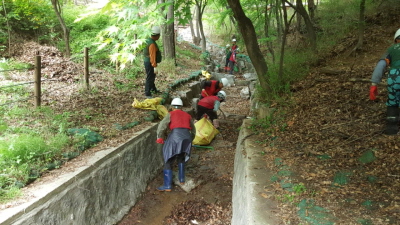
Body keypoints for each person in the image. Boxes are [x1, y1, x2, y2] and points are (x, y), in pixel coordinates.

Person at [156, 98, 196, 191]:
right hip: (186, 137)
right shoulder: (188, 115)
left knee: (168, 158)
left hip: (175, 136)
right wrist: (190, 140)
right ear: (181, 107)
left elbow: (162, 126)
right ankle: (182, 180)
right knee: (181, 156)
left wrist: (159, 137)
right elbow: (193, 131)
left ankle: (167, 186)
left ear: (172, 107)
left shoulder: (171, 114)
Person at [369, 28, 400, 135]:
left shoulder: (390, 50)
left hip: (394, 78)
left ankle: (392, 128)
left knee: (393, 101)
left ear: (396, 39)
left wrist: (374, 84)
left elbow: (380, 66)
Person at [144, 26, 162, 99]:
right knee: (150, 77)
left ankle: (153, 89)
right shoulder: (152, 44)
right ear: (156, 35)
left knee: (152, 76)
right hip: (150, 63)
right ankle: (147, 93)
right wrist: (154, 65)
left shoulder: (148, 40)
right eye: (159, 35)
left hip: (148, 62)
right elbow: (152, 55)